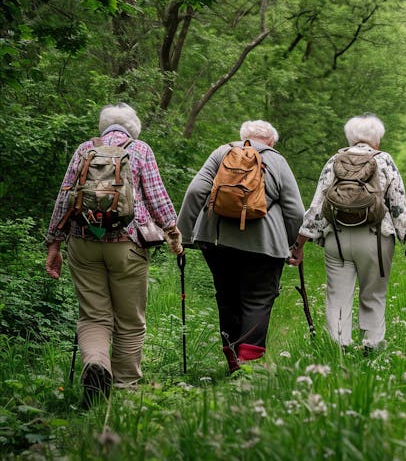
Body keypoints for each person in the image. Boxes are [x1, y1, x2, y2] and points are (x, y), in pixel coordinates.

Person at [45, 102, 184, 405]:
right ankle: (125, 389)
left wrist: (53, 243)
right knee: (130, 320)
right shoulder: (141, 150)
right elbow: (158, 198)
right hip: (128, 244)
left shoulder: (84, 150)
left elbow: (64, 198)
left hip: (83, 243)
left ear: (103, 126)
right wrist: (173, 234)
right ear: (132, 128)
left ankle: (96, 364)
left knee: (93, 316)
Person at [289, 114, 406, 352]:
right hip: (375, 240)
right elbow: (397, 207)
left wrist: (299, 244)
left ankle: (339, 348)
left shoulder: (335, 160)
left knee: (337, 295)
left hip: (337, 239)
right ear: (377, 139)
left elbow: (315, 209)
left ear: (350, 137)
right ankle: (372, 348)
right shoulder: (384, 161)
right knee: (373, 295)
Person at [177, 120, 304, 374]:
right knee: (257, 300)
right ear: (272, 142)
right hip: (264, 246)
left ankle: (233, 361)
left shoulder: (221, 153)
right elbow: (295, 210)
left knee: (227, 297)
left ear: (242, 136)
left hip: (217, 240)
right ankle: (249, 366)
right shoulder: (276, 160)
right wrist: (294, 245)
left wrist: (185, 235)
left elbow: (195, 192)